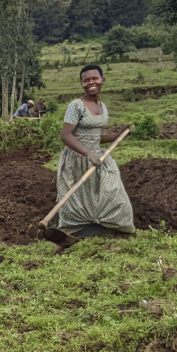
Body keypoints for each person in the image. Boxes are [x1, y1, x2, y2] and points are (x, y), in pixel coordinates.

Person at [47, 64, 135, 247]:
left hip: (99, 158)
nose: (91, 83)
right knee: (77, 200)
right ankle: (75, 234)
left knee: (113, 192)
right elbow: (66, 135)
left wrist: (118, 134)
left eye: (94, 78)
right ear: (82, 84)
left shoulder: (102, 107)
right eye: (86, 80)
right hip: (77, 159)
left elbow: (96, 137)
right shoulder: (76, 106)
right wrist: (88, 154)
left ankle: (114, 228)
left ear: (103, 80)